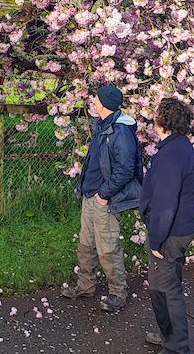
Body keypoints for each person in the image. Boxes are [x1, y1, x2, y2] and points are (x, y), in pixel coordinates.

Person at [60, 84, 143, 312]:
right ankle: (86, 286)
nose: (93, 102)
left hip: (105, 199)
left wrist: (103, 195)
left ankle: (118, 293)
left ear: (104, 103)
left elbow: (125, 170)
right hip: (91, 195)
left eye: (95, 99)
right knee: (85, 245)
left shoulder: (121, 131)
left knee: (107, 247)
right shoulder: (103, 125)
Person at [140, 97, 194, 354]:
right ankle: (169, 336)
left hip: (170, 232)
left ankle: (177, 351)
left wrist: (156, 239)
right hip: (179, 228)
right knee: (163, 285)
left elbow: (165, 203)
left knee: (166, 289)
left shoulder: (170, 155)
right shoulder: (180, 148)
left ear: (162, 120)